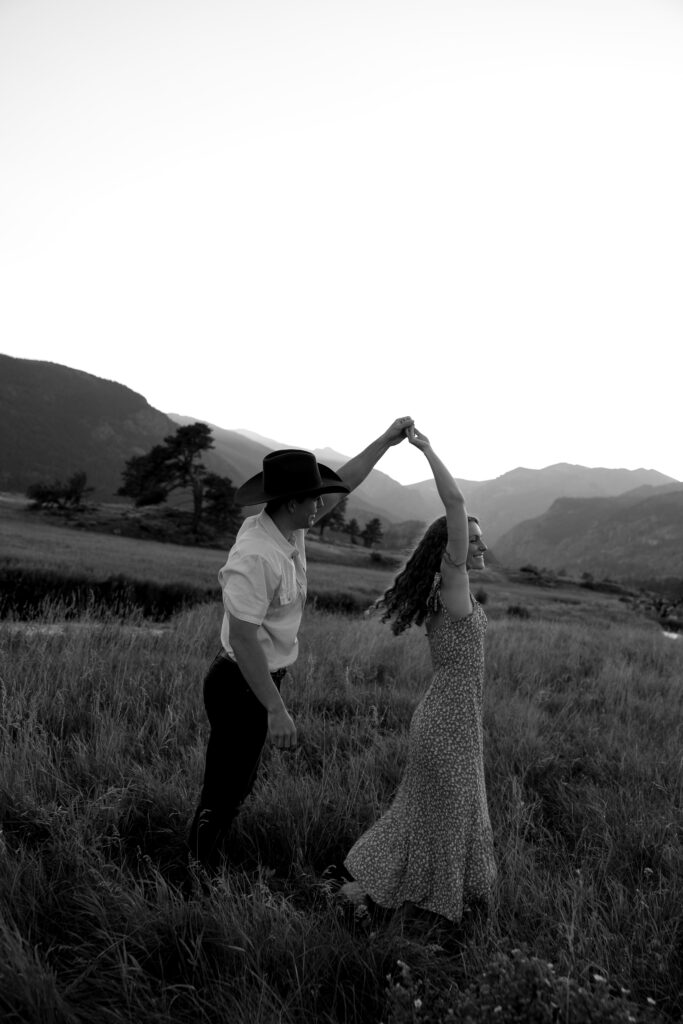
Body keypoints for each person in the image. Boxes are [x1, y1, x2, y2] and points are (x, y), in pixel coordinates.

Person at [189, 417, 414, 870]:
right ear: (292, 502)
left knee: (235, 786)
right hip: (241, 684)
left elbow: (342, 484)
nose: (323, 504)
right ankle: (195, 877)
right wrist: (275, 709)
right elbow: (243, 636)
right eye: (314, 498)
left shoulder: (288, 527)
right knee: (224, 791)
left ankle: (204, 863)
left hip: (253, 682)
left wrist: (386, 441)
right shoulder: (257, 554)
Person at [343, 426, 496, 925]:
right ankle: (404, 905)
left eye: (479, 539)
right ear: (450, 547)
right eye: (471, 539)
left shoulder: (452, 590)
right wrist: (428, 450)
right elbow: (454, 500)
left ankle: (401, 903)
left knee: (436, 817)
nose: (479, 546)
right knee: (441, 820)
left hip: (455, 721)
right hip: (447, 724)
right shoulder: (452, 582)